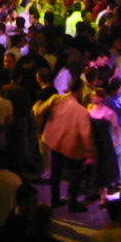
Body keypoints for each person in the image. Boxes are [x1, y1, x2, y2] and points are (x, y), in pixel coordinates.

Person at [35, 77, 95, 212]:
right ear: (80, 90)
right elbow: (86, 134)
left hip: (54, 140)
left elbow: (38, 111)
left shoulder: (57, 100)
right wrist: (90, 151)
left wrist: (41, 127)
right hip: (71, 145)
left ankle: (55, 200)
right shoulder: (81, 111)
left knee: (55, 172)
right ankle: (73, 204)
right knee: (75, 175)